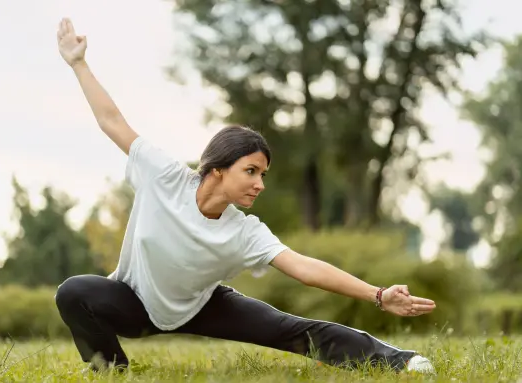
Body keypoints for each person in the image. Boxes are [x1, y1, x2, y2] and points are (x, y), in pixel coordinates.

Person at [54, 18, 437, 375]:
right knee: (74, 292)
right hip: (134, 303)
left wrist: (378, 294)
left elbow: (305, 269)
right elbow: (112, 121)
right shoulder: (164, 176)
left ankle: (401, 362)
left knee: (292, 329)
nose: (259, 184)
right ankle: (112, 375)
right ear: (218, 168)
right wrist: (78, 64)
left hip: (203, 306)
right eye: (251, 171)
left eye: (263, 175)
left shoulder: (244, 231)